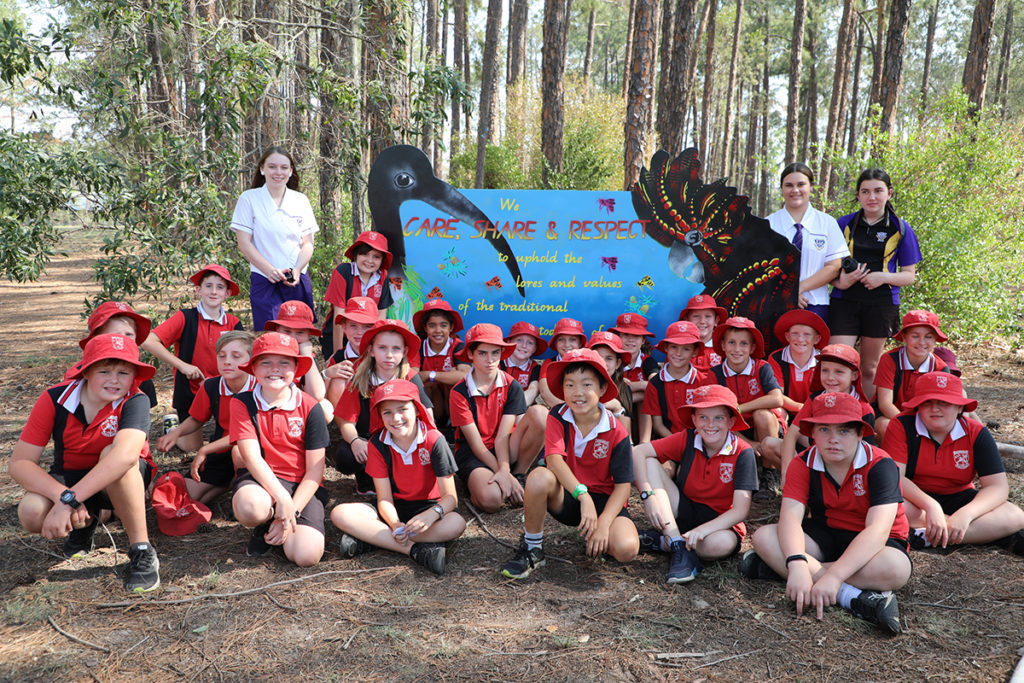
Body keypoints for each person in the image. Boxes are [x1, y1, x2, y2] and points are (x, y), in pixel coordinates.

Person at [742, 392, 911, 634]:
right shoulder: (803, 462)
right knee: (764, 537)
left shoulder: (880, 464)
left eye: (844, 431)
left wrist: (833, 576)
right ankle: (854, 599)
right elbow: (790, 517)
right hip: (826, 533)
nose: (833, 439)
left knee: (897, 569)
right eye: (824, 430)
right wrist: (798, 563)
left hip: (876, 545)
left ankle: (779, 569)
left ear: (860, 433)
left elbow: (878, 530)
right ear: (811, 434)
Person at [11, 334, 161, 592]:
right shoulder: (54, 398)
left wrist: (70, 500)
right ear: (86, 372)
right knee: (31, 512)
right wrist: (65, 497)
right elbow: (20, 463)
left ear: (134, 376)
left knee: (112, 456)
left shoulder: (135, 400)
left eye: (124, 373)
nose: (114, 380)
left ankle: (141, 549)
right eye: (104, 370)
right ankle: (85, 521)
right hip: (70, 478)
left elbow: (125, 456)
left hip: (123, 481)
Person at [500, 348, 639, 579]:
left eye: (587, 384)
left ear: (603, 388)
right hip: (570, 495)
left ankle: (601, 535)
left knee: (626, 550)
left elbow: (623, 486)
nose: (578, 393)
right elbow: (554, 460)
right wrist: (582, 496)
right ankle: (533, 548)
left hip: (605, 502)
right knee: (538, 476)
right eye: (570, 385)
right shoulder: (557, 414)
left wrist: (603, 523)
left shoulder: (617, 431)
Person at [331, 380, 467, 574]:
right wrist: (395, 524)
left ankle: (373, 540)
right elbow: (385, 499)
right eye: (387, 412)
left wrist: (431, 514)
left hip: (428, 508)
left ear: (417, 410)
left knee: (457, 524)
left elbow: (450, 498)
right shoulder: (378, 444)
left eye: (402, 409)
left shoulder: (434, 440)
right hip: (394, 510)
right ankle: (415, 550)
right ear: (380, 416)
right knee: (340, 513)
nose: (395, 418)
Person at [881, 372, 1024, 554]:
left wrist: (965, 515)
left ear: (959, 408)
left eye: (944, 403)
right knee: (889, 507)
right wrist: (931, 506)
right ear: (917, 406)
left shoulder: (976, 432)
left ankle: (927, 536)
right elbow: (895, 478)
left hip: (959, 497)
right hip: (914, 499)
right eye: (927, 402)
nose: (935, 409)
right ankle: (983, 534)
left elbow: (998, 487)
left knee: (1016, 516)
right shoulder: (901, 425)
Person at [633, 384, 756, 584]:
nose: (710, 424)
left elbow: (740, 510)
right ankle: (678, 543)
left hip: (719, 523)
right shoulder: (688, 438)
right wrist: (648, 496)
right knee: (650, 461)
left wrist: (703, 530)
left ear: (731, 421)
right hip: (684, 509)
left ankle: (664, 542)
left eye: (719, 417)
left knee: (717, 546)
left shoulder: (743, 452)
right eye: (703, 417)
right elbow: (638, 452)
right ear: (693, 420)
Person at [229, 332, 330, 566]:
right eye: (266, 362)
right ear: (253, 368)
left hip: (302, 485)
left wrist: (290, 510)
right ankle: (264, 523)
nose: (274, 369)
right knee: (249, 507)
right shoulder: (242, 402)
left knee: (306, 556)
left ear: (296, 369)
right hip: (261, 481)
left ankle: (280, 526)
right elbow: (252, 458)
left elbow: (315, 472)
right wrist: (282, 499)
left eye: (284, 362)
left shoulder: (311, 407)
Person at [830, 168, 923, 399]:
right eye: (865, 191)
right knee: (838, 360)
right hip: (844, 301)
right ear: (858, 195)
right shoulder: (843, 224)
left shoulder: (901, 228)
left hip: (881, 303)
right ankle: (833, 412)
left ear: (889, 193)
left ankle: (866, 421)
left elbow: (909, 275)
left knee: (869, 368)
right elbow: (826, 267)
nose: (872, 197)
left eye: (878, 191)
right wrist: (840, 281)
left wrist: (883, 277)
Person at [141, 264, 244, 451]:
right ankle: (172, 428)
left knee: (231, 442)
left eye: (220, 287)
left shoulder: (234, 323)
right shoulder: (185, 317)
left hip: (225, 390)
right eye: (208, 286)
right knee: (191, 448)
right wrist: (182, 365)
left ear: (227, 293)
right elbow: (149, 341)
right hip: (191, 391)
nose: (214, 291)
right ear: (199, 290)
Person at [157, 331, 258, 503]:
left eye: (236, 356)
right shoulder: (212, 386)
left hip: (251, 450)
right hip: (219, 450)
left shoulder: (259, 387)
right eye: (222, 356)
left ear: (251, 360)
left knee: (239, 451)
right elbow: (197, 418)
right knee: (185, 496)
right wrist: (177, 432)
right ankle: (227, 483)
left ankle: (244, 488)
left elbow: (244, 437)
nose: (227, 361)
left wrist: (205, 449)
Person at [334, 320, 432, 494]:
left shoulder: (410, 376)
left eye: (396, 348)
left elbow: (427, 415)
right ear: (371, 350)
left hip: (401, 439)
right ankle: (366, 481)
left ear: (404, 352)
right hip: (370, 440)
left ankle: (402, 479)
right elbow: (346, 421)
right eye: (382, 348)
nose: (389, 355)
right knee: (345, 455)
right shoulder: (361, 377)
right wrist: (355, 441)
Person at [231, 146, 318, 330]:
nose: (278, 172)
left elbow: (308, 243)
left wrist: (297, 270)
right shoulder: (249, 199)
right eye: (272, 167)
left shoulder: (300, 200)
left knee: (299, 335)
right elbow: (244, 244)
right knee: (269, 336)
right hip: (264, 279)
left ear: (291, 171)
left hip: (296, 279)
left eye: (284, 167)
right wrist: (270, 270)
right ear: (262, 169)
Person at [449, 324, 528, 512]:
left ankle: (519, 474)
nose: (490, 360)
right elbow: (476, 444)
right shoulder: (459, 392)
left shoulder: (512, 385)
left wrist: (506, 471)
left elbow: (503, 436)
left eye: (495, 353)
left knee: (540, 415)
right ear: (470, 354)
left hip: (505, 447)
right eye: (482, 353)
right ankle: (492, 483)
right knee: (491, 501)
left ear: (502, 353)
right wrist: (502, 471)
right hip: (474, 453)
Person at [773, 343, 875, 486]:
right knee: (769, 444)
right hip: (816, 455)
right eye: (825, 370)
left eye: (839, 372)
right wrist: (787, 474)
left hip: (844, 465)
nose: (830, 377)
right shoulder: (816, 398)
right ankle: (799, 484)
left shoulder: (864, 409)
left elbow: (866, 455)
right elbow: (791, 434)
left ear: (854, 375)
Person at [767, 163, 849, 322]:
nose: (795, 190)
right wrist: (786, 293)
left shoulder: (827, 223)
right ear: (782, 188)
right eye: (789, 185)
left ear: (811, 186)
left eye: (801, 184)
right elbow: (762, 267)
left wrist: (798, 289)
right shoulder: (768, 224)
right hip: (774, 303)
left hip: (815, 304)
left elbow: (833, 267)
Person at [709, 317, 785, 490]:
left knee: (762, 415)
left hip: (766, 428)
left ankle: (769, 472)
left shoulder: (761, 367)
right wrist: (748, 443)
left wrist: (739, 408)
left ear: (752, 348)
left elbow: (777, 399)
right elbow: (717, 412)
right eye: (731, 342)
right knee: (718, 415)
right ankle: (748, 467)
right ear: (722, 345)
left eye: (743, 344)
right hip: (733, 429)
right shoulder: (716, 374)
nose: (737, 349)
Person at [873, 309, 951, 441]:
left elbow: (941, 407)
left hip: (926, 419)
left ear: (935, 340)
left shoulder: (941, 368)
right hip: (890, 415)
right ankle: (893, 461)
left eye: (928, 337)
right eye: (915, 336)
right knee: (885, 426)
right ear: (904, 337)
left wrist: (922, 426)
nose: (921, 342)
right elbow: (885, 404)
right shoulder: (890, 359)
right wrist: (909, 427)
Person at [65, 301, 158, 407]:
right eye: (115, 334)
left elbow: (142, 419)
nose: (123, 339)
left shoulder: (142, 381)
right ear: (96, 338)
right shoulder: (76, 377)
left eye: (129, 334)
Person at [640, 320, 713, 442]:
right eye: (674, 347)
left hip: (700, 441)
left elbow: (708, 421)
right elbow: (658, 426)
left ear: (694, 352)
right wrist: (678, 443)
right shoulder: (655, 383)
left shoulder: (704, 382)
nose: (678, 353)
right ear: (666, 348)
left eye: (686, 349)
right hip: (668, 441)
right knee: (648, 460)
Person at [263, 300, 334, 423]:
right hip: (270, 407)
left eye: (300, 332)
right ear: (277, 330)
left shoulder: (307, 355)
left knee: (324, 407)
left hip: (297, 409)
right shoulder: (267, 353)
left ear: (308, 335)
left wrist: (306, 355)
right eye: (286, 331)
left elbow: (317, 395)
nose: (292, 338)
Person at [323, 231, 394, 352]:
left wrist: (375, 348)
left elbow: (380, 316)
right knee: (342, 369)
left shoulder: (383, 276)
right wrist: (337, 354)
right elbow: (338, 316)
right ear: (356, 255)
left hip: (367, 336)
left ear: (382, 260)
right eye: (364, 254)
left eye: (376, 257)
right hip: (340, 335)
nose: (370, 260)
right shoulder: (343, 272)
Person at [413, 298, 469, 429]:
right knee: (427, 386)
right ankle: (430, 425)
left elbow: (465, 375)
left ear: (451, 327)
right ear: (425, 328)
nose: (438, 330)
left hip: (453, 406)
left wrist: (430, 375)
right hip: (432, 403)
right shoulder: (418, 348)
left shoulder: (458, 346)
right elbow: (414, 378)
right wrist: (448, 376)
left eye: (443, 325)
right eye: (432, 325)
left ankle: (456, 427)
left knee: (455, 385)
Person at [324, 296, 380, 406]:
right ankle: (342, 421)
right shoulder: (339, 357)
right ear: (344, 328)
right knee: (338, 379)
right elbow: (323, 396)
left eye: (366, 326)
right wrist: (327, 374)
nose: (359, 332)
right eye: (353, 325)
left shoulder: (381, 354)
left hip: (376, 408)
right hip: (348, 410)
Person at [586, 330, 634, 431]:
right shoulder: (578, 384)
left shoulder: (623, 388)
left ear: (617, 363)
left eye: (609, 358)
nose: (603, 363)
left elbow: (627, 436)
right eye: (598, 357)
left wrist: (618, 408)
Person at [608, 312, 659, 406]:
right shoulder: (611, 360)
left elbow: (656, 386)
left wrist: (631, 386)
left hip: (642, 412)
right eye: (626, 334)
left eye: (636, 336)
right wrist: (642, 387)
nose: (630, 339)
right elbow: (609, 392)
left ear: (643, 340)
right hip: (616, 412)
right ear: (618, 337)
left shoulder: (647, 361)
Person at [501, 321, 547, 405]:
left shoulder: (536, 368)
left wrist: (513, 409)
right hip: (497, 406)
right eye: (519, 340)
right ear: (509, 342)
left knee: (539, 411)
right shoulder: (498, 363)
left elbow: (533, 390)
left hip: (523, 408)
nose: (524, 346)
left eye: (530, 343)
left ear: (535, 348)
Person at [679, 294, 727, 371]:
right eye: (696, 316)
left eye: (708, 316)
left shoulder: (724, 347)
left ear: (716, 320)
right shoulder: (677, 346)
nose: (702, 321)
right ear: (686, 320)